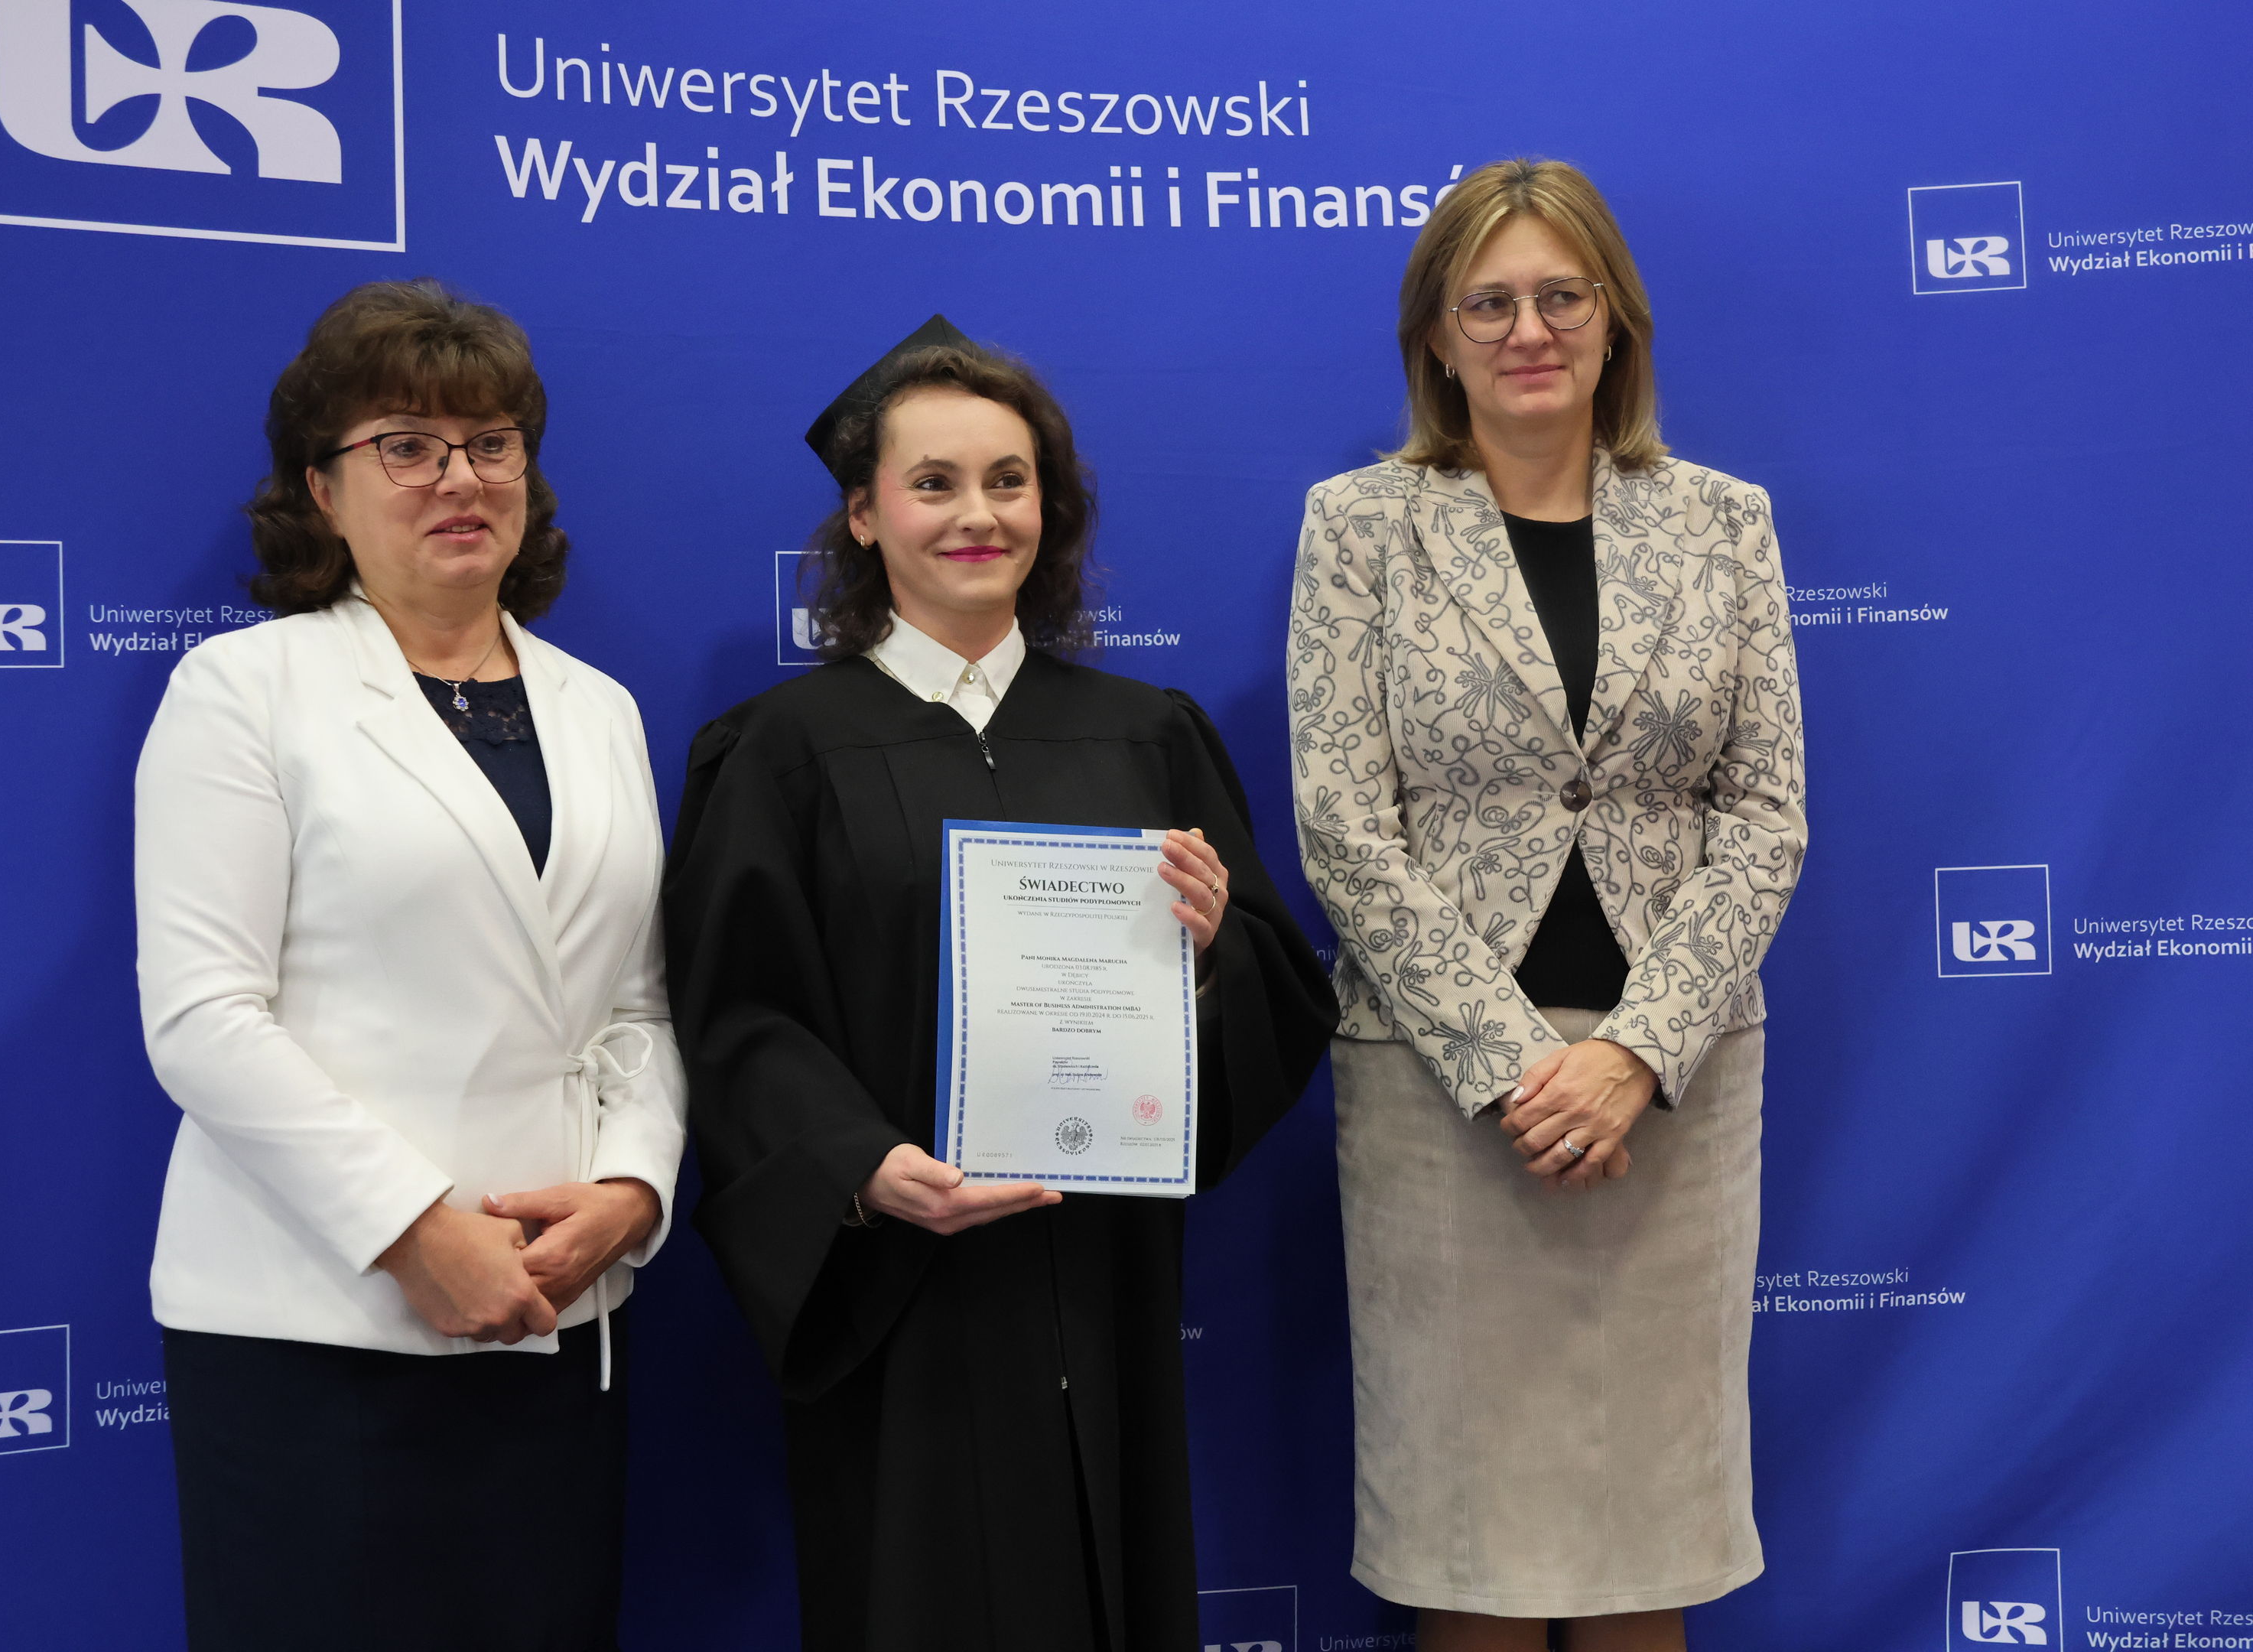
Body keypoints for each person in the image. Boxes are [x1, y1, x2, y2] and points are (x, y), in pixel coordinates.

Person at [666, 317, 1336, 1652]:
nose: (978, 514)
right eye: (934, 483)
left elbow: (1275, 988)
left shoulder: (1148, 735)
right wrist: (860, 1168)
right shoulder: (784, 751)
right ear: (864, 516)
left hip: (1105, 1268)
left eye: (1009, 481)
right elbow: (739, 1014)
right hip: (905, 1285)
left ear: (1051, 507)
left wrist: (1214, 953)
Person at [1288, 160, 1807, 1651]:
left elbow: (1765, 814)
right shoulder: (1361, 526)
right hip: (1445, 1096)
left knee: (1650, 1539)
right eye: (1490, 303)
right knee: (1472, 1550)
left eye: (1562, 296)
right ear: (1436, 338)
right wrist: (1520, 1066)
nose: (1530, 330)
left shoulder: (1723, 523)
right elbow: (1342, 825)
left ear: (1614, 319)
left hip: (1674, 1091)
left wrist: (1633, 1052)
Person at [135, 279, 685, 1652]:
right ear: (322, 491)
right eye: (407, 445)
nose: (460, 477)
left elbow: (634, 1001)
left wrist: (633, 1189)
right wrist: (413, 1230)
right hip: (319, 1325)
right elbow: (204, 1018)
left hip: (560, 1313)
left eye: (491, 444)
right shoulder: (243, 692)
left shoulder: (600, 709)